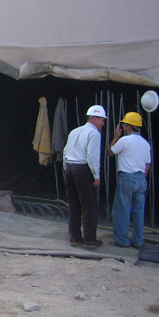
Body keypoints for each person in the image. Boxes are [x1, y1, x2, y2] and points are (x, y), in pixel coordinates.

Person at [62, 105, 107, 248]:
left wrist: (66, 169)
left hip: (70, 167)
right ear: (94, 119)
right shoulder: (94, 134)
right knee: (89, 206)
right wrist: (96, 175)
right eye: (102, 120)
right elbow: (92, 156)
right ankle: (90, 240)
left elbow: (65, 151)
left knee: (74, 205)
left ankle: (74, 237)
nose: (103, 124)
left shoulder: (75, 131)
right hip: (82, 169)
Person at [108, 112, 151, 249]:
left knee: (122, 210)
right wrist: (141, 178)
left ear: (128, 126)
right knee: (138, 212)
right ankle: (138, 241)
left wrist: (116, 136)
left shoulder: (125, 140)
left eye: (124, 125)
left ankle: (122, 240)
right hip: (141, 179)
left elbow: (110, 152)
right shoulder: (145, 143)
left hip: (127, 177)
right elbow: (147, 165)